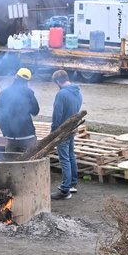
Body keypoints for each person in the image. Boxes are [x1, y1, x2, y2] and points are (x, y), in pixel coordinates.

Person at [49, 70, 83, 200]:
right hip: (72, 128)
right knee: (71, 155)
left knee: (64, 159)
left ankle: (64, 190)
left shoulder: (61, 94)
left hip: (63, 131)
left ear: (58, 81)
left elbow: (57, 115)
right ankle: (73, 183)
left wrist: (53, 132)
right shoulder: (78, 91)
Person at [0, 68, 39, 155]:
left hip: (11, 138)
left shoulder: (4, 93)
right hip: (28, 136)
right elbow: (35, 111)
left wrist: (5, 132)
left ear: (16, 76)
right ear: (27, 81)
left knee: (10, 163)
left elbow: (0, 116)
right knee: (31, 162)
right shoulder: (28, 92)